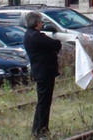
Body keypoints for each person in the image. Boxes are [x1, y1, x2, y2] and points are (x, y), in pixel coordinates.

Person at [23, 11, 62, 139]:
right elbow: (55, 44)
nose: (42, 24)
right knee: (43, 102)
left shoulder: (28, 35)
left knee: (44, 101)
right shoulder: (37, 37)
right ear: (37, 23)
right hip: (44, 72)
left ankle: (41, 128)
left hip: (40, 72)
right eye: (40, 22)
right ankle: (40, 129)